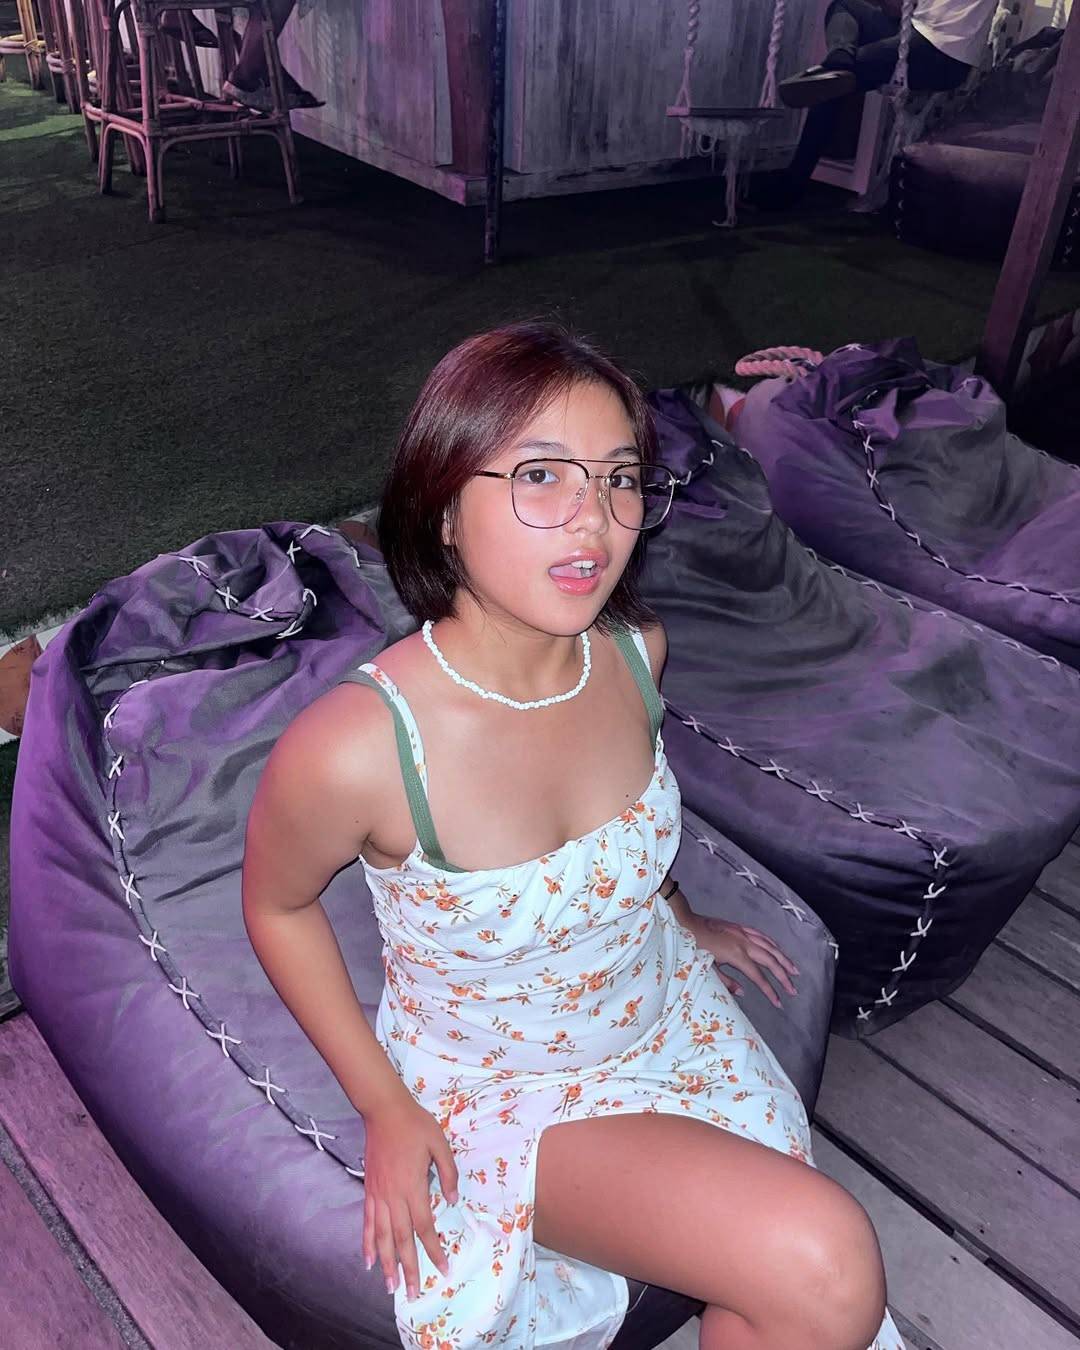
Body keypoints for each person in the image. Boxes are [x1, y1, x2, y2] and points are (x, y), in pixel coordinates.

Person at [241, 320, 906, 1350]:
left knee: (787, 1299)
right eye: (542, 475)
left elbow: (622, 834)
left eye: (620, 479)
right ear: (443, 507)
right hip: (511, 1092)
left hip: (659, 1014)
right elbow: (276, 906)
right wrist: (382, 1107)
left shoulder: (636, 653)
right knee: (824, 1262)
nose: (594, 520)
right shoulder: (361, 747)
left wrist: (679, 915)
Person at [755, 0, 999, 208]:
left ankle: (791, 185)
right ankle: (841, 57)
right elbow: (899, 9)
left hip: (940, 55)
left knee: (827, 84)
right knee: (844, 8)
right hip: (919, 36)